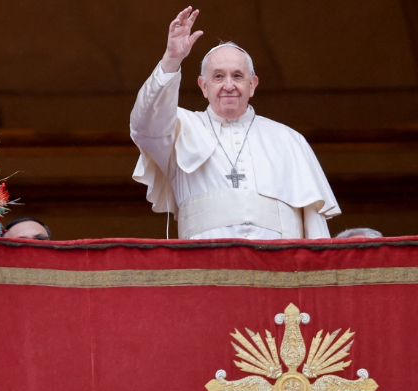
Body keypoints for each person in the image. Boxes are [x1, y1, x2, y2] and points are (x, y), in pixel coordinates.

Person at [130, 6, 340, 240]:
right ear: (203, 86)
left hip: (277, 270)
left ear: (252, 85)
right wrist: (171, 59)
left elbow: (314, 229)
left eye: (237, 76)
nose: (228, 85)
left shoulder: (289, 140)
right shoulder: (180, 129)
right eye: (218, 76)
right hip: (205, 270)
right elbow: (144, 125)